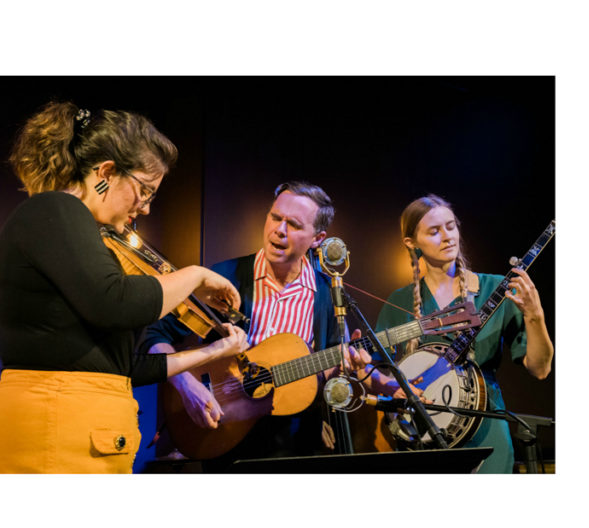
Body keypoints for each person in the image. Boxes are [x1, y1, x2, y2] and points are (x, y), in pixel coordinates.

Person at [0, 101, 248, 473]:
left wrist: (213, 351)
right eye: (145, 190)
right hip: (58, 431)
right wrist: (195, 275)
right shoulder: (57, 208)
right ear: (107, 172)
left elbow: (125, 366)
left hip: (81, 431)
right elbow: (116, 302)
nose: (145, 208)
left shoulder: (76, 230)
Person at [142, 181, 371, 470]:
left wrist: (345, 364)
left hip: (295, 443)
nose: (279, 230)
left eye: (294, 225)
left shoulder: (327, 294)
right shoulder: (225, 277)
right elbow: (154, 336)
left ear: (317, 238)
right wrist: (186, 384)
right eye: (275, 217)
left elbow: (327, 370)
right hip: (224, 433)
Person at [367, 194, 554, 473]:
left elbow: (540, 369)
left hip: (486, 436)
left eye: (451, 226)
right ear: (411, 242)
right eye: (434, 231)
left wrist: (535, 315)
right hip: (422, 441)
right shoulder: (399, 301)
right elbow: (372, 371)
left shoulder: (494, 289)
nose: (447, 237)